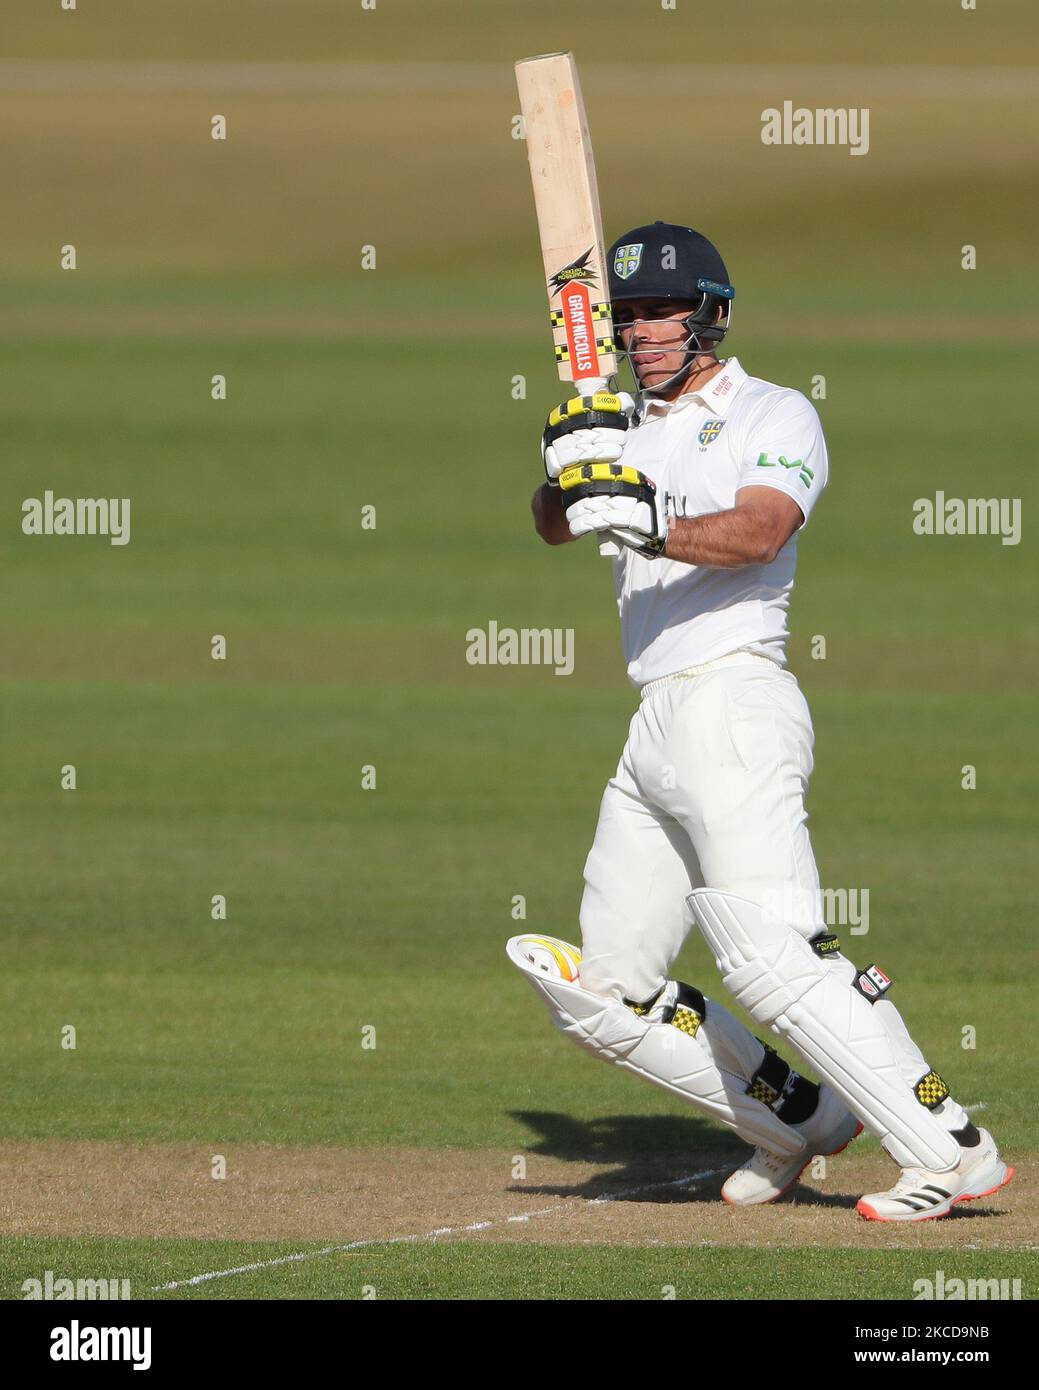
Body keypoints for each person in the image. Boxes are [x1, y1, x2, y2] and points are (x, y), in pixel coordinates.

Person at [527, 221, 1012, 1221]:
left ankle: (949, 1146)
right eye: (625, 317)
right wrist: (566, 470)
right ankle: (790, 1119)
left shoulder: (775, 412)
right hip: (656, 719)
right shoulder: (618, 419)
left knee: (771, 950)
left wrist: (645, 512)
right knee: (603, 990)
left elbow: (759, 531)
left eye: (660, 312)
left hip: (734, 698)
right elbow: (554, 519)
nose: (642, 331)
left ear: (711, 314)